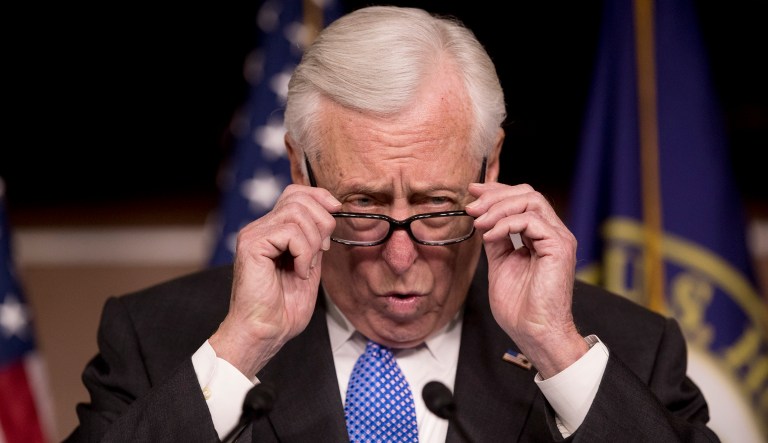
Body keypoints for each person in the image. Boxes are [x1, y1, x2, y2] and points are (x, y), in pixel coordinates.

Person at [64, 6, 719, 442]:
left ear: (490, 164)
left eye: (436, 209)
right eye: (364, 209)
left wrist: (555, 350)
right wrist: (242, 348)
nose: (402, 258)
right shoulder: (156, 340)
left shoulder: (624, 352)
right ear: (301, 170)